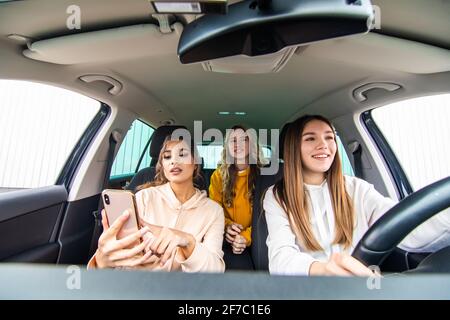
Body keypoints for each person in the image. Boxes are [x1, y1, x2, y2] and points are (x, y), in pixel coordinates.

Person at [264, 115, 450, 276]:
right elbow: (281, 257)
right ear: (293, 148)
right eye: (310, 139)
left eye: (329, 137)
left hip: (360, 284)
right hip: (308, 289)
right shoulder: (277, 196)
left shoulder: (356, 188)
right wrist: (322, 270)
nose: (323, 145)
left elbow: (401, 225)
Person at [88, 135, 225, 272]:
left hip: (180, 289)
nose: (174, 161)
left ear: (195, 163)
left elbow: (215, 270)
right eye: (167, 157)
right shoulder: (144, 198)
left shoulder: (213, 211)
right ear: (162, 165)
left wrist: (188, 242)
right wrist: (101, 262)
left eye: (182, 155)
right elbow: (118, 256)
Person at [209, 125, 267, 269]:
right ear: (226, 146)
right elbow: (213, 211)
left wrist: (246, 236)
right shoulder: (218, 176)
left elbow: (267, 216)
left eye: (244, 140)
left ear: (252, 144)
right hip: (226, 238)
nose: (238, 144)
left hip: (259, 237)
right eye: (233, 140)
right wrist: (227, 226)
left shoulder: (265, 174)